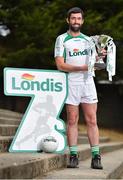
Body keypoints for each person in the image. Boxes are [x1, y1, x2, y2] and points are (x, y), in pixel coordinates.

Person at [54, 7, 106, 169]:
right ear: (68, 20)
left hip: (87, 83)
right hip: (71, 83)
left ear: (82, 21)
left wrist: (101, 57)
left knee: (92, 120)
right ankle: (74, 156)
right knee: (72, 120)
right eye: (73, 18)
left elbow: (96, 64)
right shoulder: (61, 39)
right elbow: (60, 65)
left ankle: (96, 157)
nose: (76, 21)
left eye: (79, 19)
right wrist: (84, 67)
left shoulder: (89, 40)